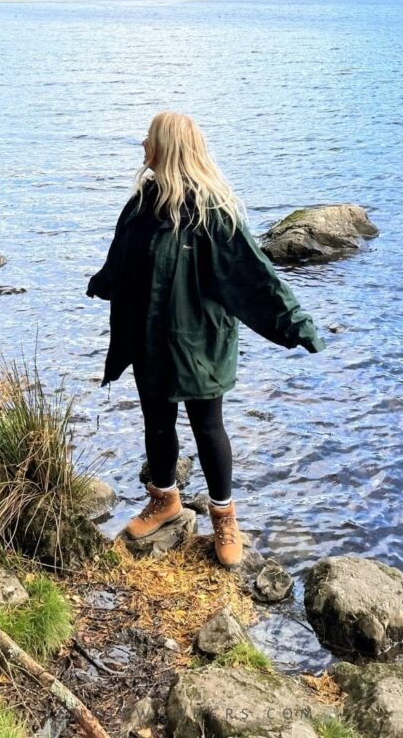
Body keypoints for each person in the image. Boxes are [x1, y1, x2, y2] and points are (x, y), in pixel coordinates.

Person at [86, 111, 325, 570]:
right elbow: (122, 257)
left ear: (168, 147)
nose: (142, 144)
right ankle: (166, 501)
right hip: (150, 338)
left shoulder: (214, 213)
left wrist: (296, 325)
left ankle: (223, 517)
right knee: (156, 423)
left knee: (208, 428)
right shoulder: (140, 205)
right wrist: (104, 281)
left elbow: (255, 277)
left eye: (149, 138)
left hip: (199, 343)